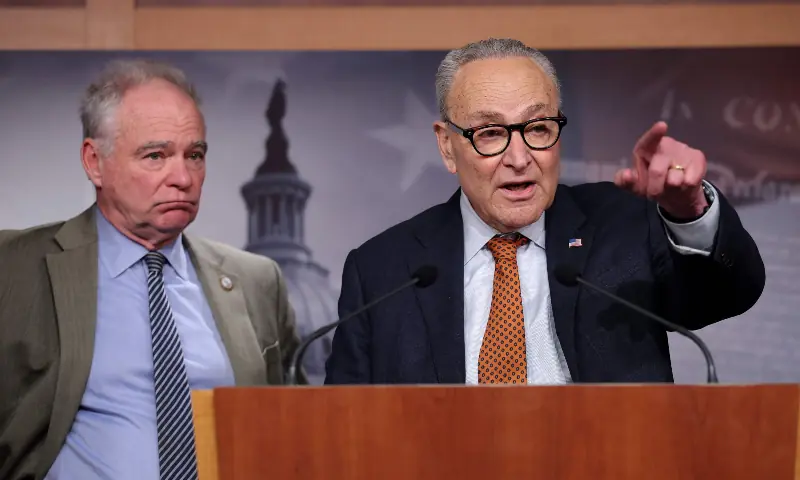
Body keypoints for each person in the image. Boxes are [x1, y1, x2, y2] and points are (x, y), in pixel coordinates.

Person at [324, 38, 765, 385]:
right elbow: (343, 428)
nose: (520, 158)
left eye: (538, 128)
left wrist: (688, 210)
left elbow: (729, 293)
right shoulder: (382, 271)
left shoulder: (625, 223)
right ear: (447, 145)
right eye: (490, 133)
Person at [0, 59, 303, 480]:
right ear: (94, 161)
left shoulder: (256, 280)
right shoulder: (12, 266)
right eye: (156, 155)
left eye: (194, 155)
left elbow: (296, 427)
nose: (183, 177)